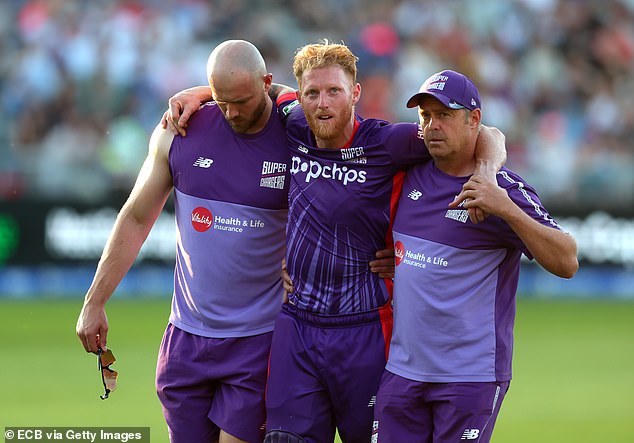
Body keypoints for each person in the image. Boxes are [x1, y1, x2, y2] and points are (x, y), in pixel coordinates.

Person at [164, 41, 506, 443]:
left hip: (364, 330)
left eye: (334, 92)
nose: (322, 103)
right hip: (297, 327)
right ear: (300, 97)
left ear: (355, 94)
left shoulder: (388, 143)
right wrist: (203, 93)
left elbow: (484, 132)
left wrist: (486, 173)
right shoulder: (292, 121)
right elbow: (258, 89)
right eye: (312, 93)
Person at [76, 40, 294, 443]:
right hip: (185, 341)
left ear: (266, 83)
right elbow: (137, 217)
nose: (231, 113)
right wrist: (95, 301)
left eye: (242, 101)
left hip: (259, 341)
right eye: (222, 100)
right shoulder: (179, 130)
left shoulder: (294, 133)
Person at [373, 70, 579, 443]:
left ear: (474, 120)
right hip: (403, 372)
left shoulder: (501, 189)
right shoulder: (408, 174)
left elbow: (567, 260)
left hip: (469, 378)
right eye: (426, 116)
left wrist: (506, 209)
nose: (433, 125)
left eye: (445, 115)